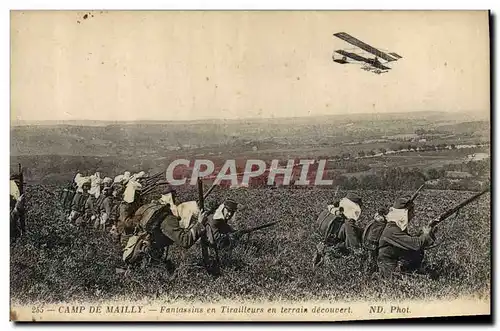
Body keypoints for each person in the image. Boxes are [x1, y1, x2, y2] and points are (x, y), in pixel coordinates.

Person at [377, 197, 436, 277]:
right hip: (388, 270)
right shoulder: (392, 229)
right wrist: (426, 234)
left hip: (395, 266)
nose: (413, 215)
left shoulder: (395, 227)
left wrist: (424, 234)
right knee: (428, 277)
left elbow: (409, 242)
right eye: (411, 212)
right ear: (404, 214)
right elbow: (415, 244)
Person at [361, 207, 389, 274]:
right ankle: (370, 272)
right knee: (372, 260)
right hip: (372, 245)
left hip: (367, 243)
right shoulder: (380, 224)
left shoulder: (373, 221)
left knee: (369, 259)